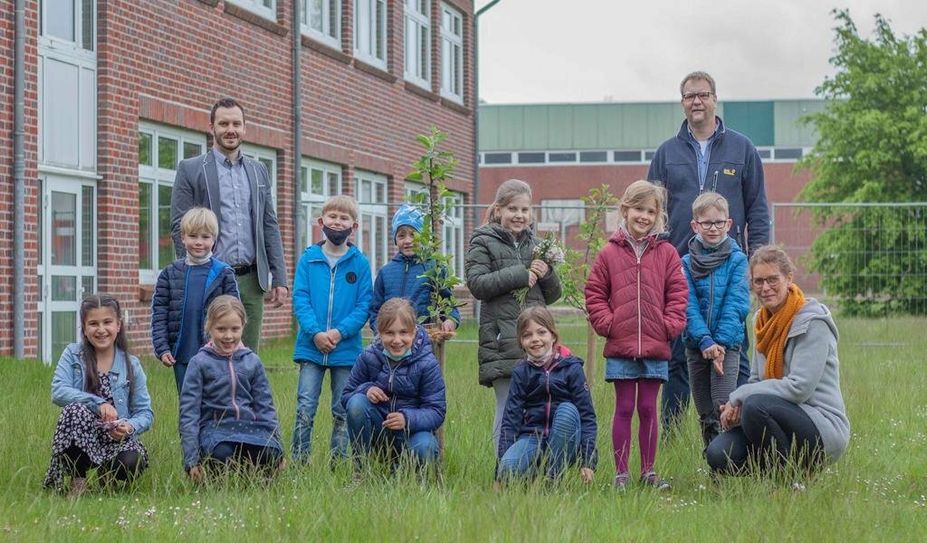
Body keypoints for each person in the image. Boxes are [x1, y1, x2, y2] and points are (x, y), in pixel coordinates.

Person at [647, 71, 770, 431]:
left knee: (735, 351)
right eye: (689, 96)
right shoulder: (666, 154)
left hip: (730, 268)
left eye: (702, 95)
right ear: (682, 102)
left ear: (715, 99)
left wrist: (757, 263)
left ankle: (740, 430)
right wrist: (656, 263)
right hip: (679, 269)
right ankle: (669, 437)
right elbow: (653, 211)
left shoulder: (742, 149)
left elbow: (758, 210)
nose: (696, 101)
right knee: (675, 357)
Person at [706, 246, 850, 475]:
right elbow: (755, 379)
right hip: (772, 414)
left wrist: (739, 397)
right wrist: (737, 411)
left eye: (773, 279)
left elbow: (799, 388)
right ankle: (772, 473)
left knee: (755, 405)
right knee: (719, 454)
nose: (765, 288)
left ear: (788, 278)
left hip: (821, 425)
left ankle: (788, 479)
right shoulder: (761, 321)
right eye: (758, 281)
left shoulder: (813, 322)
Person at [585, 180, 688, 490]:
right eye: (638, 209)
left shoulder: (668, 253)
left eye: (650, 211)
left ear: (658, 215)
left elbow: (679, 294)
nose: (644, 216)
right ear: (625, 210)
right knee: (625, 408)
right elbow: (594, 293)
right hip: (621, 346)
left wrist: (668, 326)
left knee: (648, 408)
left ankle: (648, 471)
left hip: (656, 346)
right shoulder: (609, 253)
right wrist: (609, 324)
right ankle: (620, 474)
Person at [170, 97, 288, 353]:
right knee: (208, 354)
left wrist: (279, 277)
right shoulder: (190, 169)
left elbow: (269, 224)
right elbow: (179, 225)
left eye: (236, 123)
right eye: (224, 123)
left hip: (251, 280)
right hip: (210, 275)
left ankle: (243, 395)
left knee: (248, 357)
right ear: (212, 127)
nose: (230, 129)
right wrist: (190, 273)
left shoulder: (259, 171)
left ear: (245, 128)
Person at [465, 179, 562, 448]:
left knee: (539, 405)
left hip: (536, 340)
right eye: (513, 209)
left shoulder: (537, 245)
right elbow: (477, 283)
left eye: (525, 210)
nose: (519, 215)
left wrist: (547, 274)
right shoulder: (483, 241)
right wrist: (522, 274)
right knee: (507, 406)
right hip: (501, 339)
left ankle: (532, 463)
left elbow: (553, 296)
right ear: (498, 210)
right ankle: (503, 466)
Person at [291, 195, 373, 464]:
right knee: (305, 407)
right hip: (310, 347)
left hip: (345, 350)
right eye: (332, 217)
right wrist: (315, 333)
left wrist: (338, 333)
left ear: (354, 226)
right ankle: (300, 464)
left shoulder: (360, 264)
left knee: (342, 409)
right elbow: (300, 299)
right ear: (321, 221)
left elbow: (364, 306)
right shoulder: (308, 259)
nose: (337, 222)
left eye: (344, 218)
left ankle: (338, 462)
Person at [44, 294, 153, 496]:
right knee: (74, 411)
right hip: (81, 435)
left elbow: (145, 413)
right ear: (84, 329)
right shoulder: (72, 355)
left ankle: (107, 477)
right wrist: (98, 403)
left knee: (132, 461)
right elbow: (58, 391)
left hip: (116, 439)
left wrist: (129, 426)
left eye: (107, 322)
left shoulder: (132, 364)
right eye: (93, 323)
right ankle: (79, 480)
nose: (101, 330)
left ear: (118, 325)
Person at [180, 295, 284, 482]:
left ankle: (255, 481)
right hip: (215, 430)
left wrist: (278, 445)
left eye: (235, 329)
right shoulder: (199, 363)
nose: (228, 336)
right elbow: (189, 413)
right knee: (221, 455)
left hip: (251, 429)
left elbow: (265, 407)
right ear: (209, 327)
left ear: (243, 327)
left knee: (271, 454)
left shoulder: (252, 362)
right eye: (221, 329)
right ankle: (220, 480)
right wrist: (191, 460)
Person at [342, 298, 446, 472]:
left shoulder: (427, 363)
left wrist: (407, 419)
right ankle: (360, 471)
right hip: (380, 430)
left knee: (424, 447)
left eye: (404, 332)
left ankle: (410, 474)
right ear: (379, 333)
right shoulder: (368, 356)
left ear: (413, 333)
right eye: (390, 333)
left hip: (413, 433)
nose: (397, 340)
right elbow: (346, 396)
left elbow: (437, 411)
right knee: (356, 403)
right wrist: (366, 389)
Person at [496, 306, 597, 484]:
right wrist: (498, 473)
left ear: (553, 336)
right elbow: (510, 420)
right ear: (521, 341)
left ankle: (553, 478)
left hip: (566, 439)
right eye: (527, 335)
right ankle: (534, 475)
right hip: (532, 437)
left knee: (567, 410)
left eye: (541, 332)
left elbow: (587, 416)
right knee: (508, 467)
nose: (535, 339)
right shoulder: (521, 372)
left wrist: (588, 461)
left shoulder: (572, 368)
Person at [681, 193, 750, 449]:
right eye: (707, 223)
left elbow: (737, 304)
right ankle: (712, 465)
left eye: (719, 222)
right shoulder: (685, 263)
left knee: (724, 407)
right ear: (695, 225)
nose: (713, 228)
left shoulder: (738, 260)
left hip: (727, 346)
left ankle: (731, 462)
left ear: (729, 224)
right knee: (705, 411)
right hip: (697, 345)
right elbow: (687, 305)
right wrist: (705, 340)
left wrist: (719, 343)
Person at [151, 207, 240, 393]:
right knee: (188, 405)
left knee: (214, 403)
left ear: (214, 240)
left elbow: (235, 315)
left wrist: (232, 345)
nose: (199, 242)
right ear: (183, 237)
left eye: (205, 237)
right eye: (193, 236)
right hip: (182, 354)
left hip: (216, 353)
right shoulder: (169, 274)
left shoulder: (223, 273)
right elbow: (160, 313)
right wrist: (162, 348)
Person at [368, 204, 460, 332]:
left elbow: (448, 303)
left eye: (413, 235)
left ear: (423, 237)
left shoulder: (434, 268)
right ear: (395, 239)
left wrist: (451, 320)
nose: (407, 240)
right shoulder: (385, 272)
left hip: (423, 338)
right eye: (401, 235)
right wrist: (379, 330)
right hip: (392, 340)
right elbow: (375, 309)